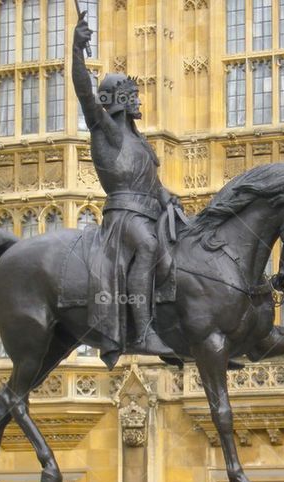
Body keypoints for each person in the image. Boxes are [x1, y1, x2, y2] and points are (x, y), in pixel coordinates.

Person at [72, 10, 178, 365]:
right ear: (117, 100)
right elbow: (84, 91)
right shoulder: (108, 131)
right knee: (147, 247)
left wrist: (169, 199)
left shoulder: (139, 141)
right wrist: (76, 49)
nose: (137, 100)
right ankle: (143, 330)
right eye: (131, 95)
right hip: (125, 215)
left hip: (151, 211)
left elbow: (154, 184)